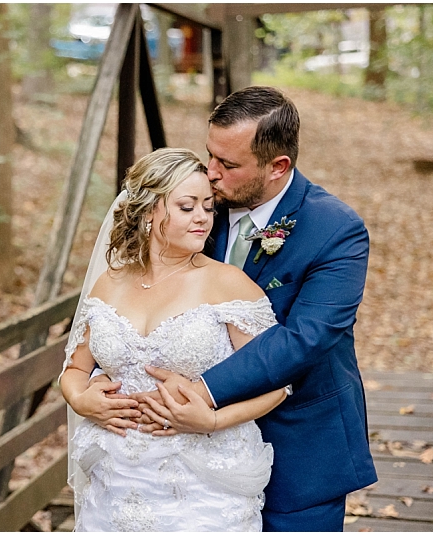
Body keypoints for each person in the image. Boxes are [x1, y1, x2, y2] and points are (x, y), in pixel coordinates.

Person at [118, 86, 377, 531]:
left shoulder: (336, 230)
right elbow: (143, 294)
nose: (211, 174)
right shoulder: (194, 208)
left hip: (299, 445)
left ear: (278, 167)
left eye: (228, 164)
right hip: (187, 458)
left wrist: (201, 392)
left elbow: (305, 338)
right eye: (209, 156)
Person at [59, 147, 289, 531]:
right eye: (187, 207)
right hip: (113, 482)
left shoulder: (227, 284)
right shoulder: (109, 283)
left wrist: (212, 421)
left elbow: (278, 382)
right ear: (149, 212)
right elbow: (75, 367)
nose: (202, 218)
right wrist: (81, 399)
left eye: (207, 206)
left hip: (202, 485)